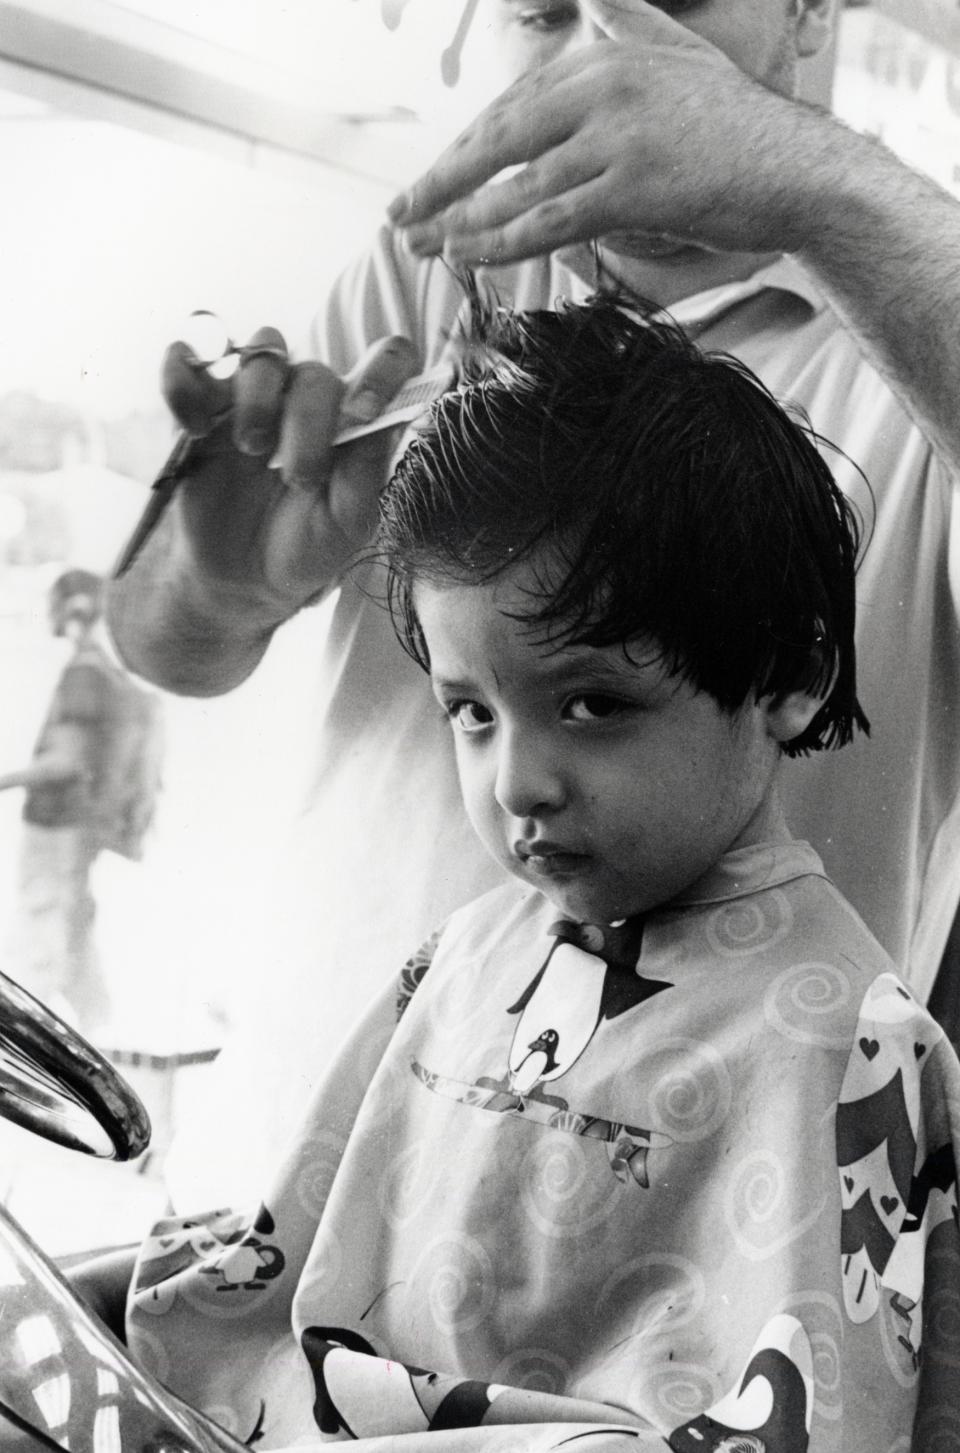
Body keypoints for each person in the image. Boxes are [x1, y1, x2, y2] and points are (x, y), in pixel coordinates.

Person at [106, 0, 960, 1206]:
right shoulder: (440, 267)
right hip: (300, 1185)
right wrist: (234, 573)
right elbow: (162, 643)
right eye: (545, 10)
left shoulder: (913, 310)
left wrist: (806, 187)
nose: (601, 54)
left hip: (691, 1269)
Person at [97, 298, 960, 1452]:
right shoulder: (456, 961)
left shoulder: (844, 1039)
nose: (519, 783)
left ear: (788, 669)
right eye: (471, 712)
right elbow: (281, 1294)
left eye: (592, 703)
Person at [0, 568, 164, 1034]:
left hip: (53, 833)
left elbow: (65, 765)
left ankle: (23, 1058)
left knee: (35, 954)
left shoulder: (83, 676)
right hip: (78, 834)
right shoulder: (114, 678)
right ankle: (100, 1037)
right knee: (70, 943)